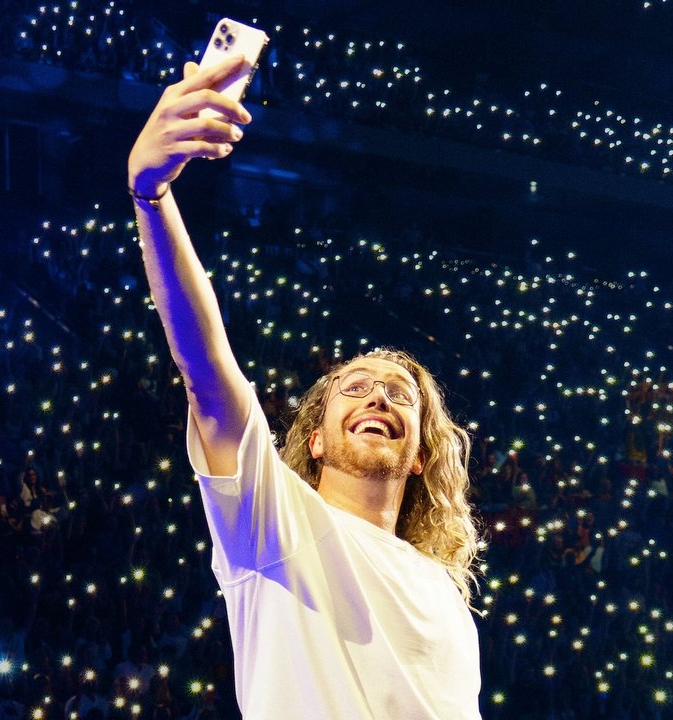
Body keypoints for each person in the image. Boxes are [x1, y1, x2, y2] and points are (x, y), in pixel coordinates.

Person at [127, 54, 481, 718]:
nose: (380, 396)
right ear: (313, 440)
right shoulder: (275, 524)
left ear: (422, 456)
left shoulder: (444, 593)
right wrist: (152, 196)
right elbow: (209, 378)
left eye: (401, 395)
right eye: (356, 388)